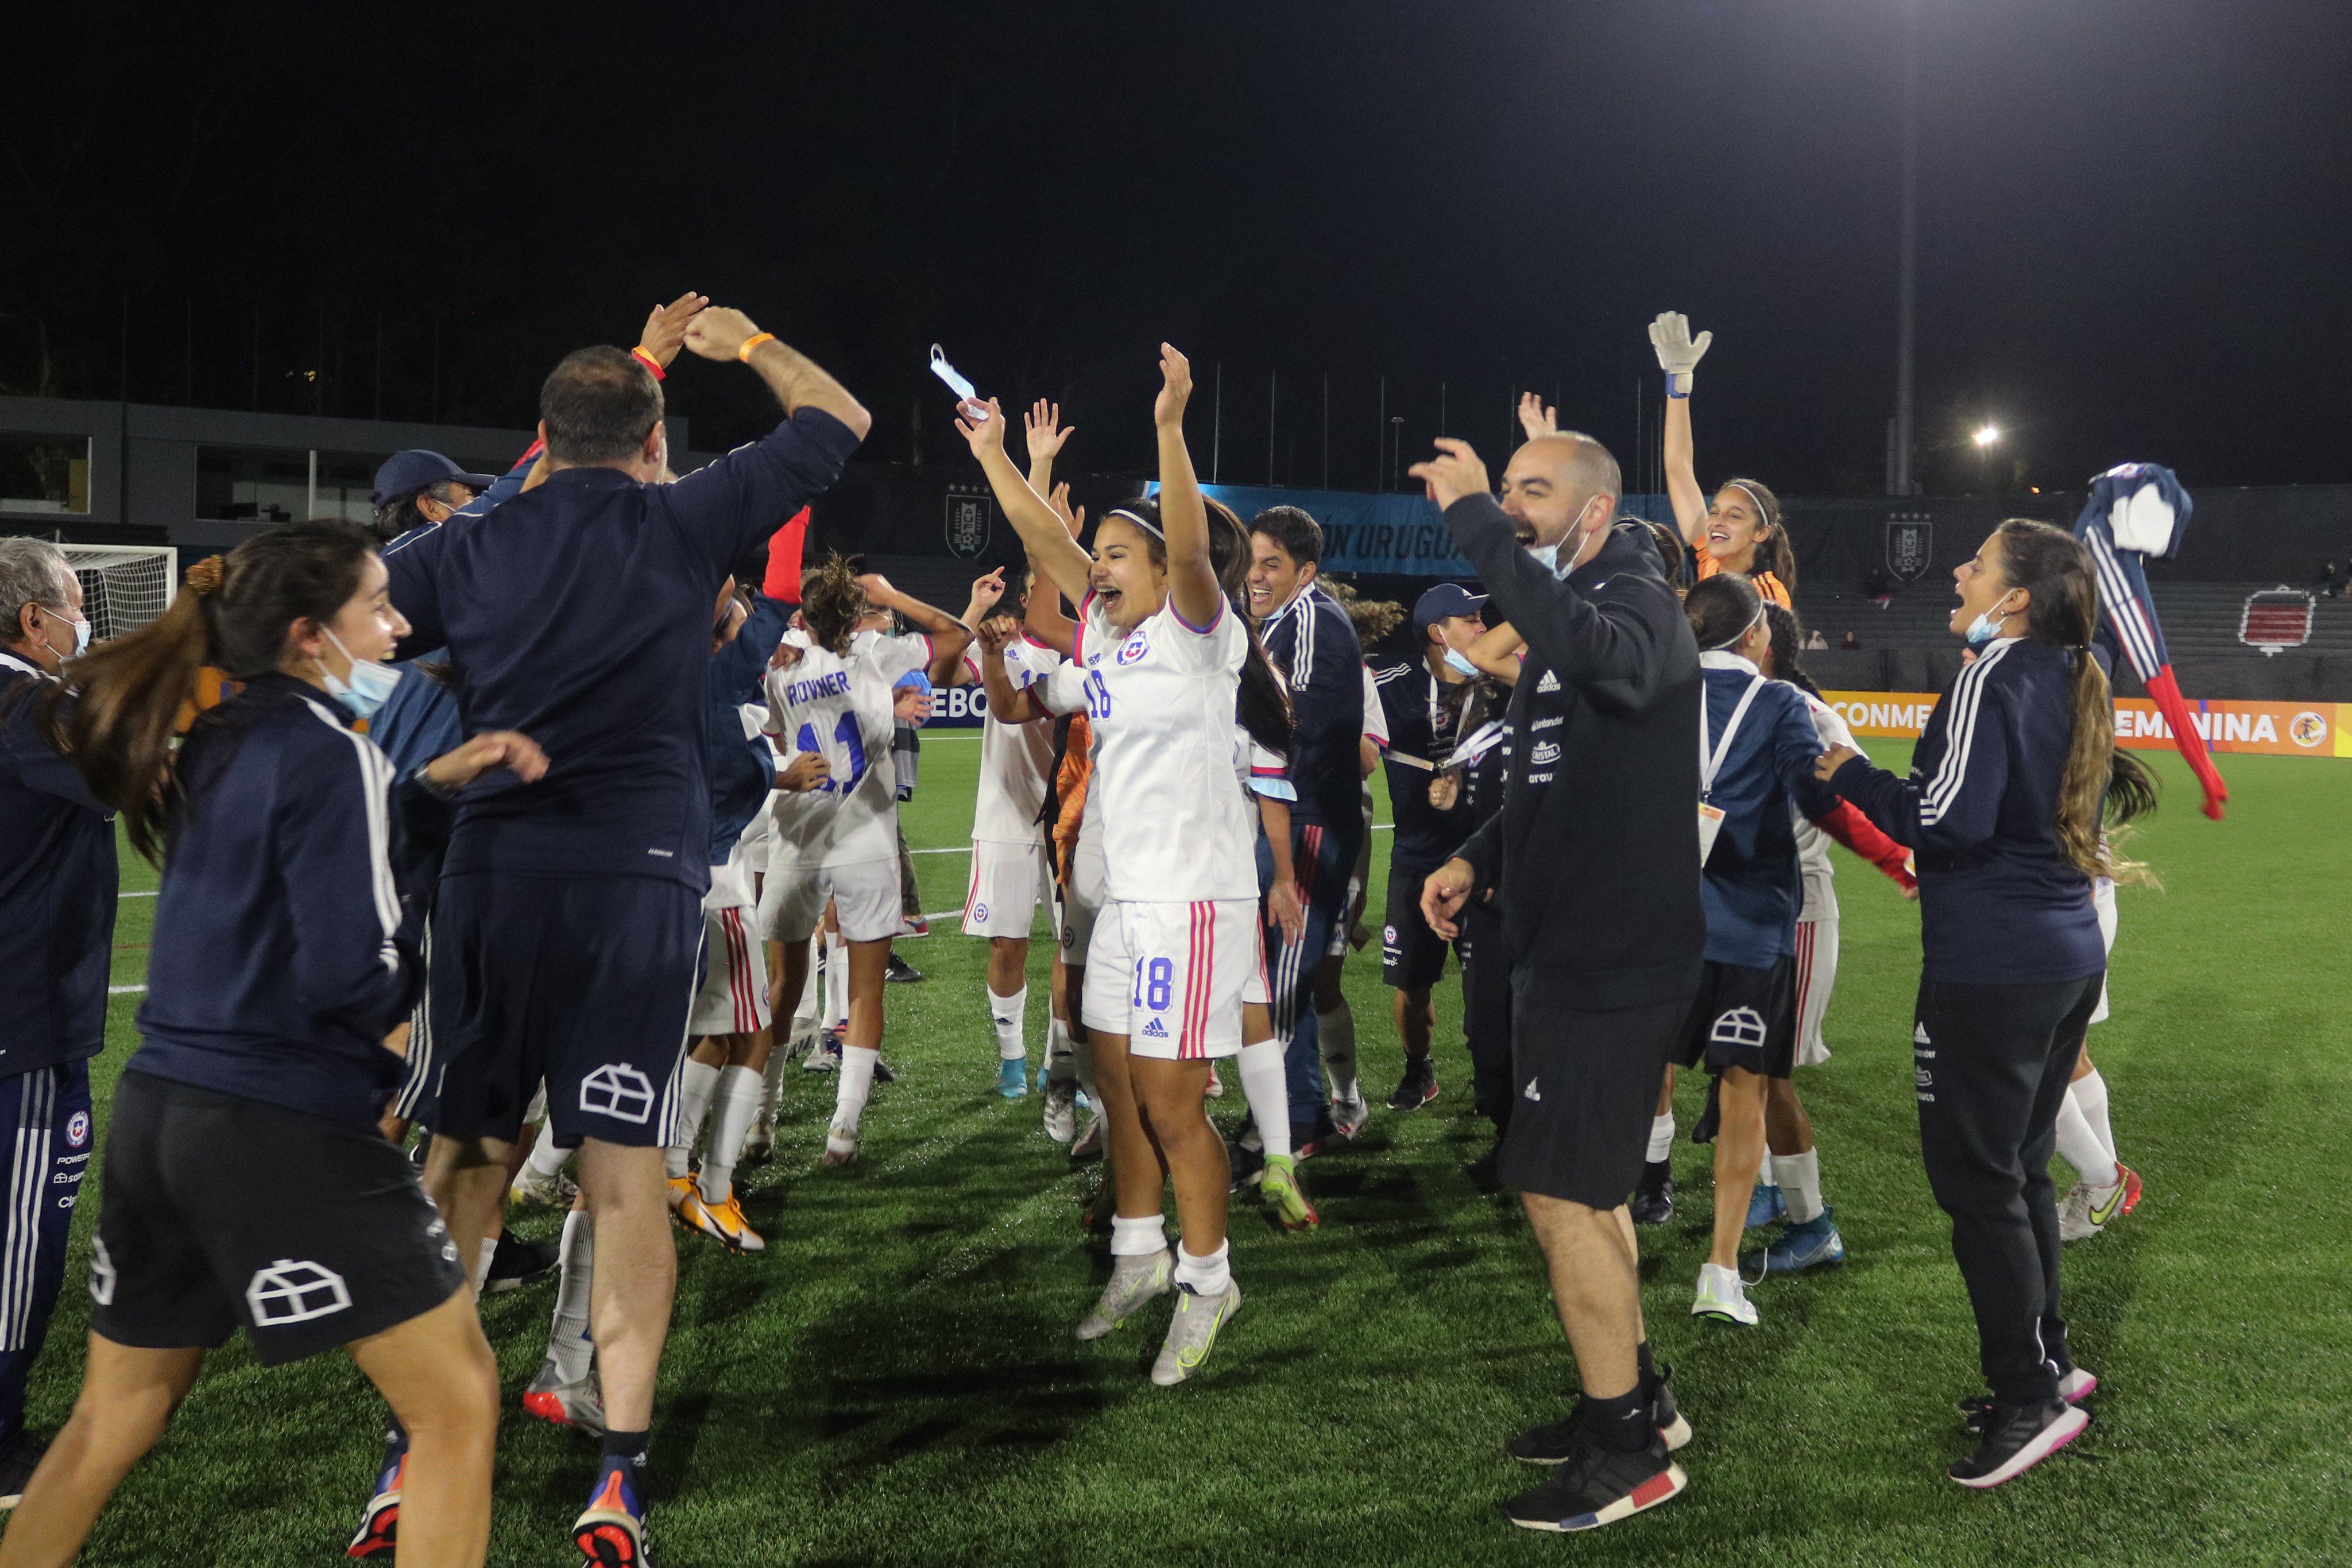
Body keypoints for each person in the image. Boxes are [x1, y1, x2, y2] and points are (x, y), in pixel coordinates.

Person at [384, 304, 868, 1561]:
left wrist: (447, 721)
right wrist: (750, 342)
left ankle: (412, 1454)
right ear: (654, 443)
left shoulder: (472, 544)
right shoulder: (683, 516)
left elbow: (338, 629)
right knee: (619, 1171)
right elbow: (837, 420)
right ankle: (619, 1479)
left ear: (543, 438)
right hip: (639, 879)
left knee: (466, 1165)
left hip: (493, 873)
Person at [1, 524, 546, 1568]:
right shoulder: (334, 752)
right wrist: (426, 1001)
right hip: (281, 1123)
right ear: (309, 636)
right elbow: (351, 971)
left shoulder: (220, 736)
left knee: (112, 1421)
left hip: (162, 1112)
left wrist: (426, 797)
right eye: (379, 607)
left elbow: (295, 859)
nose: (398, 627)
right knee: (459, 1405)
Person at [1819, 517, 2157, 1488]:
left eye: (1977, 562)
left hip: (1992, 967)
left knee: (1980, 1183)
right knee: (2015, 1169)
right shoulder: (2072, 672)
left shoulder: (1991, 673)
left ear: (2013, 597)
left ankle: (2027, 1398)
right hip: (2061, 956)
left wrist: (1849, 776)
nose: (1958, 572)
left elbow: (1941, 820)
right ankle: (2048, 1361)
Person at [957, 346, 1272, 1383]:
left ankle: (1209, 1277)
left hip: (1193, 903)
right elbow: (1044, 537)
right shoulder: (1106, 634)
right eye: (1100, 554)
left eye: (1116, 554)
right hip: (1126, 899)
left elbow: (1187, 552)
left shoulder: (1197, 630)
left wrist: (1171, 429)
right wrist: (1000, 454)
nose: (1098, 565)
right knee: (1110, 1083)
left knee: (1172, 1102)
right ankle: (1136, 1255)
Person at [1413, 427, 1703, 1532]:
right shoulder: (1572, 614)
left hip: (1611, 957)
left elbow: (1607, 664)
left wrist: (1478, 522)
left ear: (1592, 510)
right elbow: (1549, 772)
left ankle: (1625, 1449)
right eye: (1507, 491)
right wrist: (1475, 859)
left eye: (1533, 492)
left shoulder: (1636, 600)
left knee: (1559, 1194)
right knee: (1590, 1188)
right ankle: (1638, 1403)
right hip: (1565, 947)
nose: (1514, 506)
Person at [1666, 576, 1840, 1327]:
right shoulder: (1782, 704)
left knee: (1647, 1067)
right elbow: (1818, 786)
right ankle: (1722, 1267)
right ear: (1757, 636)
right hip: (1754, 927)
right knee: (1748, 1088)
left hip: (1661, 923)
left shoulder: (1653, 693)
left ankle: (1639, 1187)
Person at [761, 560, 969, 1167]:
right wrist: (894, 590)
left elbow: (775, 734)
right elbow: (956, 635)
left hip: (798, 835)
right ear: (857, 614)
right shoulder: (877, 651)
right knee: (866, 991)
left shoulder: (785, 663)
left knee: (781, 986)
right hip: (867, 840)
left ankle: (761, 1122)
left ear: (804, 616)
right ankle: (843, 1130)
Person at [0, 541, 111, 1509]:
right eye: (78, 605)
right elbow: (140, 776)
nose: (88, 620)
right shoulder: (29, 706)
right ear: (34, 621)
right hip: (22, 1026)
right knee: (17, 1237)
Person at [1247, 505, 1367, 1153]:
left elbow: (1302, 723)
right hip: (1286, 819)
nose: (1257, 576)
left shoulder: (1312, 618)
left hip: (1308, 821)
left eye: (1273, 564)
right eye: (1254, 561)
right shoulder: (1279, 620)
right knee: (1271, 974)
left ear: (1306, 571)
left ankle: (1297, 1120)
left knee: (1287, 976)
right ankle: (1287, 1109)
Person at [1369, 583, 1488, 1113]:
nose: (1484, 627)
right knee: (1411, 984)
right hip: (1415, 858)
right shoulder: (1390, 685)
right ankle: (1419, 1070)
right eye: (1472, 620)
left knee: (1488, 985)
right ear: (1439, 634)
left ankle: (1493, 1073)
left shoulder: (1500, 684)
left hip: (1483, 858)